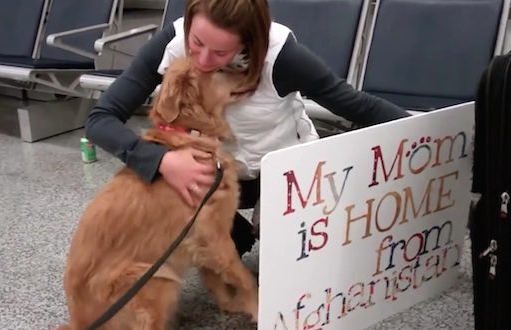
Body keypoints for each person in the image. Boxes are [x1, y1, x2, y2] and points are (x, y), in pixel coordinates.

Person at [86, 0, 411, 257]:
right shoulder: (171, 41)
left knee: (291, 267)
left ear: (249, 42)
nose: (201, 59)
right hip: (219, 175)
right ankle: (234, 238)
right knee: (151, 187)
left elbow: (358, 105)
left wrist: (435, 134)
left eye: (220, 52)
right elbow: (101, 119)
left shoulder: (283, 55)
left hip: (285, 173)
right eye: (196, 43)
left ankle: (272, 232)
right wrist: (161, 161)